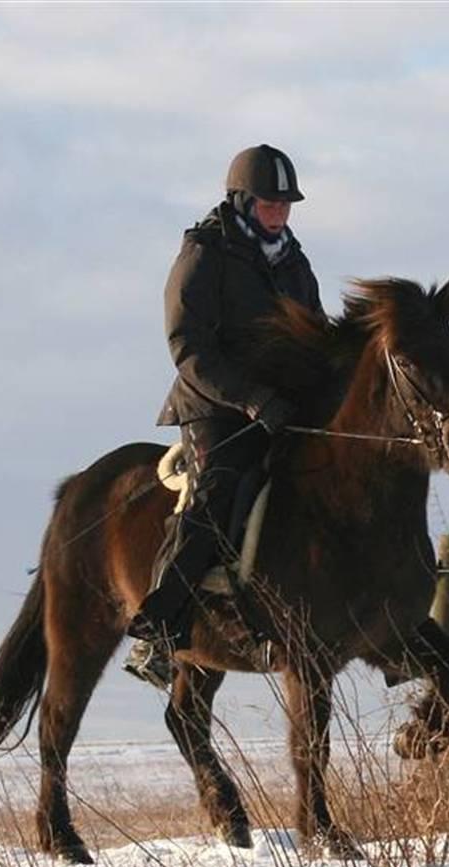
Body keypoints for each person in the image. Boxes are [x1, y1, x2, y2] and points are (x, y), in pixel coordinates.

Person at [124, 143, 325, 686]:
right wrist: (251, 399)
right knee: (220, 490)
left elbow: (316, 336)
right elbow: (186, 343)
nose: (280, 212)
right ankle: (159, 630)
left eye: (286, 204)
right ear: (241, 200)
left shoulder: (294, 261)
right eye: (269, 203)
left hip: (281, 407)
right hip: (215, 403)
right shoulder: (204, 253)